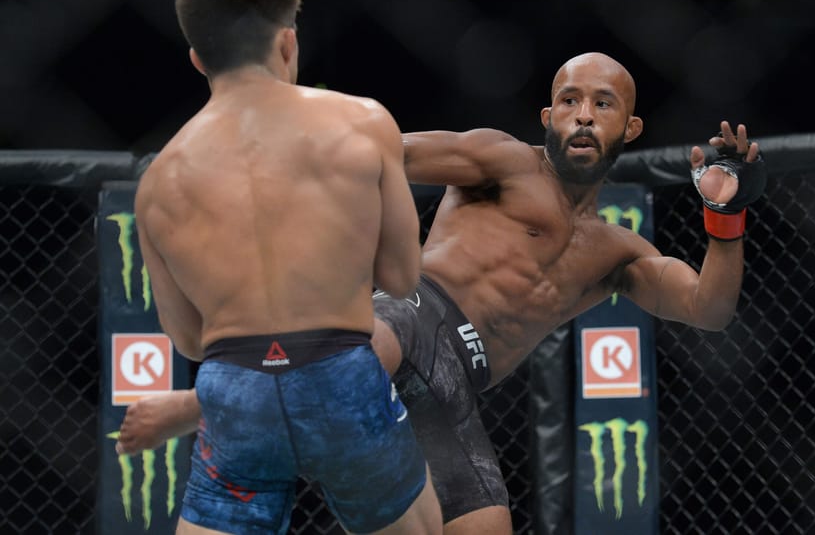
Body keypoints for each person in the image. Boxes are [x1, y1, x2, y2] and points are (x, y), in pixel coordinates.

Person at [118, 52, 765, 534]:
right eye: (569, 101)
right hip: (415, 314)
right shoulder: (502, 161)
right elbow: (386, 151)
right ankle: (206, 400)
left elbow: (710, 308)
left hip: (457, 391)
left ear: (631, 126)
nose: (583, 116)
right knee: (372, 337)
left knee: (486, 524)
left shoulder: (619, 254)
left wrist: (725, 217)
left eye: (602, 104)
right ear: (547, 117)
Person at [130, 0, 441, 535]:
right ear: (288, 42)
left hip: (235, 393)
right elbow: (402, 278)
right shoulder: (363, 121)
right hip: (341, 376)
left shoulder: (159, 180)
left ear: (197, 59)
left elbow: (192, 341)